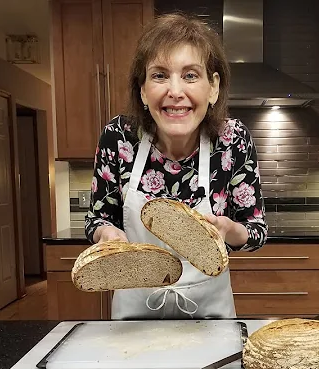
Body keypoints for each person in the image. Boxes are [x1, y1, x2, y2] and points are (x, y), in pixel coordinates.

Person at [84, 12, 268, 320]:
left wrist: (228, 230)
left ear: (213, 87)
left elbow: (256, 231)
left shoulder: (233, 140)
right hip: (134, 318)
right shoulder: (118, 138)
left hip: (210, 317)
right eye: (159, 75)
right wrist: (107, 235)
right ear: (143, 90)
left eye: (190, 75)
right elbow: (97, 219)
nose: (175, 91)